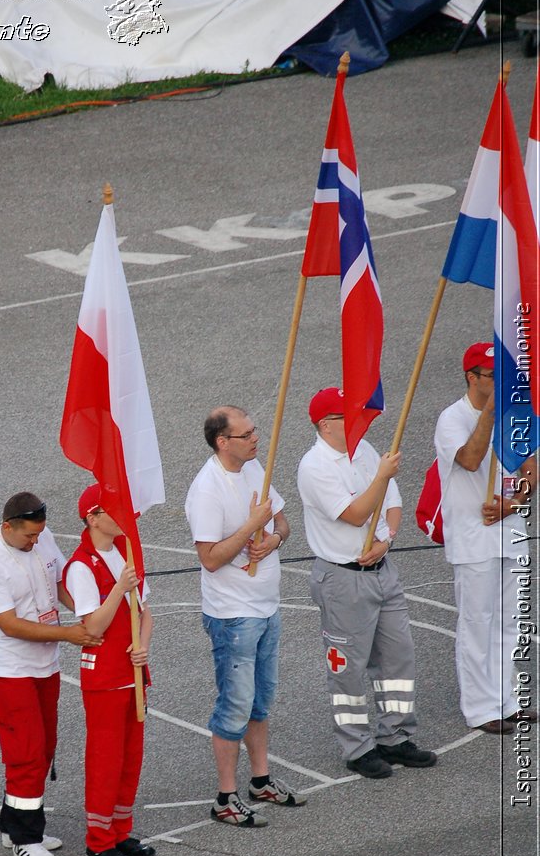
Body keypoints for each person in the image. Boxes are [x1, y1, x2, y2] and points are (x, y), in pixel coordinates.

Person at [297, 387, 436, 778]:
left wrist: (386, 539)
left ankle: (395, 737)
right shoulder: (315, 466)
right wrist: (381, 475)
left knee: (397, 658)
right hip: (343, 579)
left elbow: (392, 503)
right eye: (347, 415)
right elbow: (357, 514)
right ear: (326, 425)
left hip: (381, 569)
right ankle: (357, 746)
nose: (358, 419)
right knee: (348, 669)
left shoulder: (366, 450)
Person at [185, 406, 306, 826]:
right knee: (234, 706)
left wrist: (271, 538)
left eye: (255, 431)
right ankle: (225, 797)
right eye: (247, 434)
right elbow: (210, 558)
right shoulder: (206, 490)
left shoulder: (258, 469)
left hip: (267, 606)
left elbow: (284, 525)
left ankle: (260, 781)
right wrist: (249, 527)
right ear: (223, 441)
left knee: (260, 701)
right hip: (233, 616)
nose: (257, 439)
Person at [0, 492, 98, 856]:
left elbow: (58, 584)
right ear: (7, 527)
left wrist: (88, 612)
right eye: (28, 537)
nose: (36, 542)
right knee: (25, 750)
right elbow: (8, 625)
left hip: (45, 663)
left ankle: (14, 825)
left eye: (39, 535)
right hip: (11, 669)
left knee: (44, 746)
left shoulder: (42, 535)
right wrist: (69, 634)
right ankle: (26, 838)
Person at [434, 342, 537, 735]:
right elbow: (470, 458)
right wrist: (490, 413)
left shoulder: (512, 413)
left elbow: (530, 466)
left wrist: (516, 502)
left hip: (509, 533)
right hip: (473, 537)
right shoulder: (452, 419)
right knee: (478, 622)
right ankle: (480, 708)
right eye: (492, 376)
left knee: (511, 620)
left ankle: (507, 700)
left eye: (501, 376)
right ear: (471, 377)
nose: (499, 382)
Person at [63, 484, 155, 856]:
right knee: (105, 759)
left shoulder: (126, 552)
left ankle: (120, 830)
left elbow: (146, 611)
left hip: (132, 671)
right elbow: (93, 625)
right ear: (94, 517)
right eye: (115, 510)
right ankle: (98, 841)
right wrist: (119, 588)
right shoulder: (83, 565)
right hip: (103, 676)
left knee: (130, 757)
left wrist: (144, 645)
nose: (126, 516)